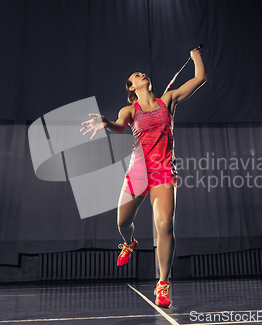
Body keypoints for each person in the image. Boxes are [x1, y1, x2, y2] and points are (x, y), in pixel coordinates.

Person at [80, 48, 206, 308]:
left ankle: (162, 283)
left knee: (165, 225)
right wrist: (105, 122)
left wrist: (195, 56)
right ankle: (129, 242)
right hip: (138, 172)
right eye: (136, 75)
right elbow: (118, 125)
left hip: (163, 171)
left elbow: (199, 78)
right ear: (132, 86)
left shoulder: (168, 100)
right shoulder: (130, 109)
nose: (141, 74)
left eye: (142, 73)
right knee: (122, 223)